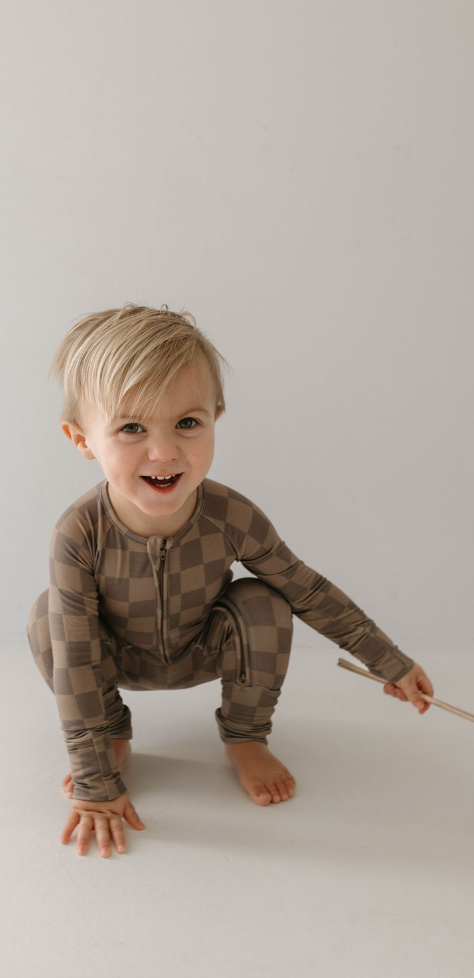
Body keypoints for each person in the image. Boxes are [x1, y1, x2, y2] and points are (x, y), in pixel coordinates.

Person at [26, 303, 434, 859]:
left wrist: (390, 662)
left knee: (266, 599)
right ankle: (113, 735)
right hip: (114, 656)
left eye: (187, 423)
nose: (164, 451)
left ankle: (245, 737)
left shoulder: (231, 516)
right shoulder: (79, 533)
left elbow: (306, 588)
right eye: (131, 428)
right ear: (82, 439)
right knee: (47, 617)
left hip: (202, 648)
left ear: (216, 415)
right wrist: (94, 780)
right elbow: (75, 659)